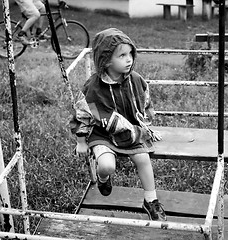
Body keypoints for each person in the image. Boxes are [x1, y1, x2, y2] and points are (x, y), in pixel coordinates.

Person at [70, 28, 167, 221]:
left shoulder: (135, 80)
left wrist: (145, 122)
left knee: (143, 158)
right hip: (102, 133)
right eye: (122, 55)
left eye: (130, 53)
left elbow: (145, 101)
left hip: (130, 131)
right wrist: (81, 141)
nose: (129, 59)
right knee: (107, 166)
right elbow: (83, 114)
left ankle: (151, 200)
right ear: (106, 60)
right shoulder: (94, 87)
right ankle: (103, 178)